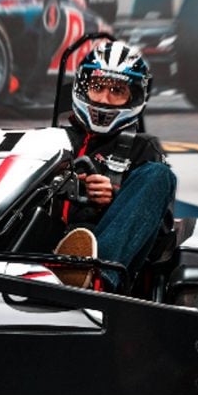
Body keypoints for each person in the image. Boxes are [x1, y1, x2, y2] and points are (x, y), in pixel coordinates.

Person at [54, 40, 177, 292]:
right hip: (39, 242)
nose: (105, 99)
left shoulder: (143, 148)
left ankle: (96, 277)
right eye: (97, 87)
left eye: (117, 91)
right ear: (82, 88)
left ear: (133, 98)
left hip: (103, 250)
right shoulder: (53, 140)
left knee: (159, 176)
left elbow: (159, 231)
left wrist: (116, 197)